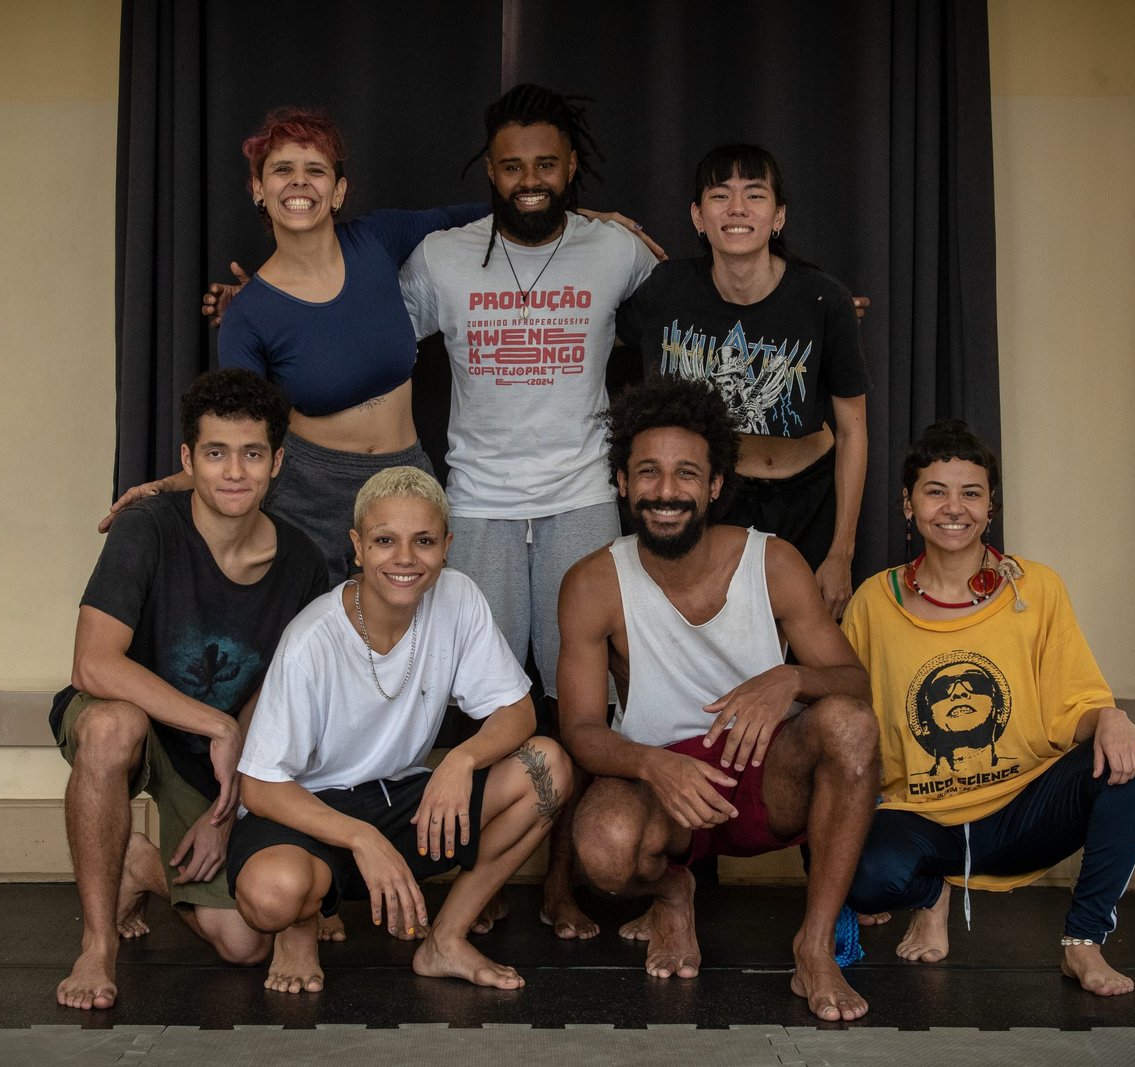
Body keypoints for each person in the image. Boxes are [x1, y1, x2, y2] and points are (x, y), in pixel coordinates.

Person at [397, 83, 661, 938]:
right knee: (475, 708)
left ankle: (560, 884)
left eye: (546, 163)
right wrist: (262, 305)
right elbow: (364, 341)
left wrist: (807, 322)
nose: (531, 179)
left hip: (582, 498)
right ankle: (483, 875)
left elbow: (694, 312)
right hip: (475, 502)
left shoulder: (614, 251)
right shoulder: (442, 256)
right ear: (491, 170)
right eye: (513, 166)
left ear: (571, 164)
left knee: (575, 709)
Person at [556, 378, 880, 1022]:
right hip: (664, 790)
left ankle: (813, 946)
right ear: (622, 482)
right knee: (604, 846)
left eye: (686, 474)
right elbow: (582, 729)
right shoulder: (592, 583)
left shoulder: (774, 563)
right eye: (648, 472)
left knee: (849, 726)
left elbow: (856, 686)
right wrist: (654, 764)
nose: (666, 491)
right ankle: (674, 895)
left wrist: (790, 679)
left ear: (713, 485)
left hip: (769, 775)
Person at [102, 107, 488, 585]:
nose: (299, 182)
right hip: (310, 492)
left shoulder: (376, 239)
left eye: (316, 170)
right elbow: (239, 431)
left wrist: (575, 224)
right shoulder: (248, 315)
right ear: (258, 190)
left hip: (406, 474)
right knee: (319, 642)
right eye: (282, 169)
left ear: (339, 190)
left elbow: (478, 218)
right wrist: (165, 485)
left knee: (426, 637)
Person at [840, 419, 1135, 997]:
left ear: (992, 507)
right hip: (921, 818)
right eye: (935, 491)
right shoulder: (873, 601)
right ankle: (930, 894)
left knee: (1134, 753)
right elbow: (850, 717)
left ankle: (1083, 944)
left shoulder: (1035, 589)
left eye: (971, 492)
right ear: (907, 505)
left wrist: (1110, 716)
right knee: (865, 878)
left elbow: (1076, 706)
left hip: (1021, 811)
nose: (953, 508)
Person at [226, 467, 573, 992]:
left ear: (447, 546)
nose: (406, 558)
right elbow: (259, 784)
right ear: (358, 548)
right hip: (309, 809)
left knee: (547, 767)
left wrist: (460, 760)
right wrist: (361, 838)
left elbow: (517, 712)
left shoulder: (457, 598)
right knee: (272, 895)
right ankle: (298, 929)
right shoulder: (311, 641)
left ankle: (446, 940)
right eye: (385, 541)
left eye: (424, 541)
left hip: (401, 798)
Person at [51, 368, 330, 1010]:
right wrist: (217, 724)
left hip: (215, 759)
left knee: (243, 943)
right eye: (215, 452)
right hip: (139, 720)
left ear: (277, 462)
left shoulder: (304, 564)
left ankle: (137, 864)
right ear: (188, 459)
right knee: (110, 726)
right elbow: (92, 664)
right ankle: (97, 945)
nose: (234, 472)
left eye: (252, 453)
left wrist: (227, 811)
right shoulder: (147, 527)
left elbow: (282, 699)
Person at [617, 144, 869, 619]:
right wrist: (589, 217)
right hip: (712, 497)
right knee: (707, 642)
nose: (737, 209)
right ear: (697, 215)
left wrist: (842, 552)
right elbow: (591, 329)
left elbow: (854, 430)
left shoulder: (822, 299)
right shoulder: (666, 290)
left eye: (754, 195)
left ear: (778, 217)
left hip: (806, 499)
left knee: (801, 646)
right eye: (720, 195)